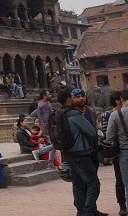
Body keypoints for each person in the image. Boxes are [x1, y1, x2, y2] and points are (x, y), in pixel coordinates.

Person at [57, 88, 105, 216]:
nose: (79, 99)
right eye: (75, 97)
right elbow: (91, 131)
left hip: (74, 152)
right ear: (69, 99)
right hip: (80, 152)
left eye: (82, 96)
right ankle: (87, 211)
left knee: (78, 183)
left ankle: (84, 210)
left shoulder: (60, 113)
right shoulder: (73, 114)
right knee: (93, 183)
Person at [102, 90, 126, 216]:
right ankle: (122, 204)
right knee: (120, 179)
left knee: (121, 178)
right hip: (117, 150)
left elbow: (107, 136)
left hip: (118, 150)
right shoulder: (109, 115)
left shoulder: (109, 115)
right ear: (118, 100)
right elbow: (108, 134)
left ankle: (123, 205)